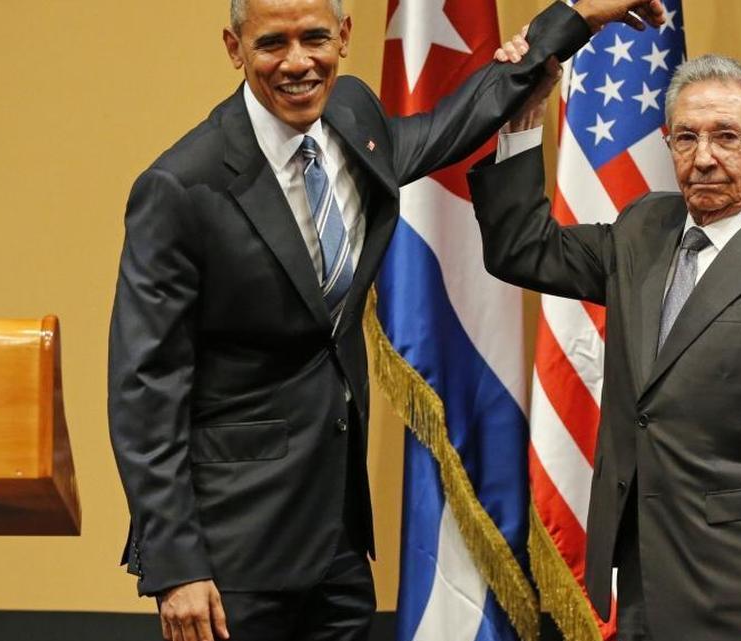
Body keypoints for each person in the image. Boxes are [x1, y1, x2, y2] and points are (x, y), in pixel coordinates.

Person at [107, 1, 665, 640]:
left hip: (337, 546)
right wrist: (176, 566)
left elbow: (450, 124)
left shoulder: (352, 119)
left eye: (315, 37)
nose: (297, 62)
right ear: (234, 49)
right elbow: (144, 391)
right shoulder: (180, 187)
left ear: (344, 37)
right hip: (231, 554)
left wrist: (572, 21)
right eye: (271, 44)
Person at [467, 52, 741, 641]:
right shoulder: (645, 228)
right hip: (636, 575)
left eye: (726, 136)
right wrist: (522, 120)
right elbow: (521, 248)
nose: (704, 158)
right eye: (686, 137)